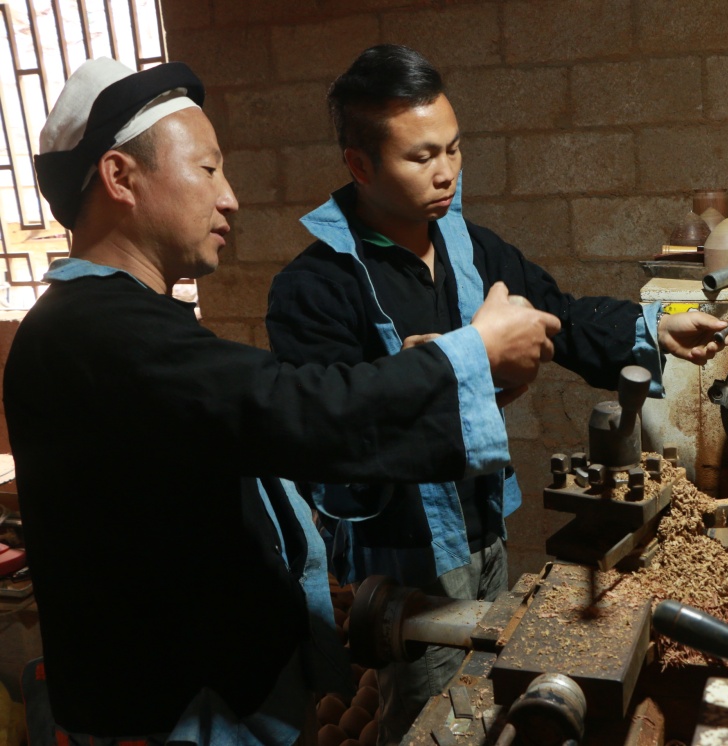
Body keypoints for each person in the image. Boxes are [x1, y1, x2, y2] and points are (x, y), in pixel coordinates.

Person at [4, 57, 561, 744]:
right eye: (208, 170)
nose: (230, 198)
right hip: (176, 713)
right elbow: (293, 409)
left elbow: (250, 432)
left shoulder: (129, 322)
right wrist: (469, 357)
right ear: (121, 177)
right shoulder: (94, 332)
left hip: (222, 694)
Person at [265, 44, 728, 742]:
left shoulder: (469, 247)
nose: (447, 171)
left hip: (482, 525)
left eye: (454, 148)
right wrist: (442, 368)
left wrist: (654, 328)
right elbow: (332, 434)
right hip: (403, 552)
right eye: (421, 156)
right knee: (430, 716)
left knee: (486, 695)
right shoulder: (315, 288)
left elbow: (556, 312)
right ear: (360, 166)